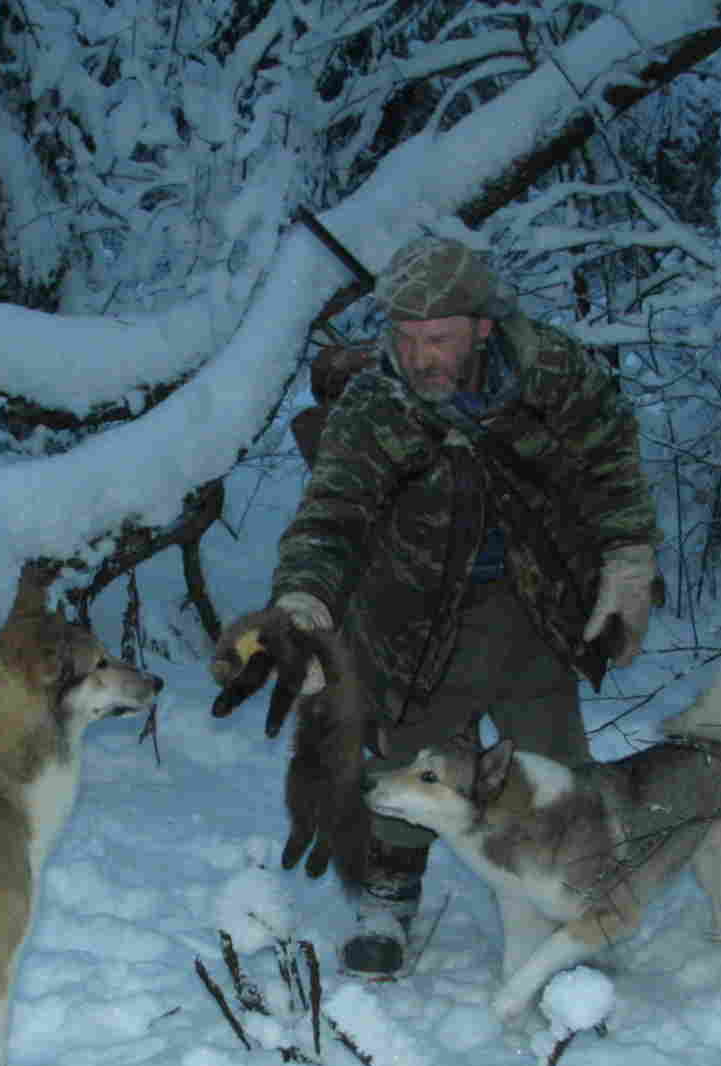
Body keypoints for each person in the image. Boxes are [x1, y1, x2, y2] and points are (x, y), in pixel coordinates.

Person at [229, 235, 661, 977]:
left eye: (437, 338)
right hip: (415, 612)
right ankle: (388, 900)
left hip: (537, 608)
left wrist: (628, 555)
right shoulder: (374, 405)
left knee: (555, 766)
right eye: (403, 336)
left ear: (482, 327)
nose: (419, 354)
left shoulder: (550, 372)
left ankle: (579, 914)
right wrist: (301, 599)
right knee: (406, 758)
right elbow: (332, 515)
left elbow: (611, 459)